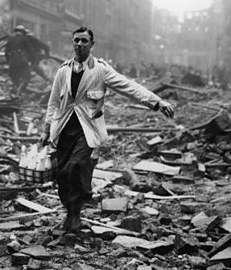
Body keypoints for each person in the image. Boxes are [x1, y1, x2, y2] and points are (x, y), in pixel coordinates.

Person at [39, 26, 174, 232]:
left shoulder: (100, 69)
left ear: (92, 45)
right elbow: (53, 103)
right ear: (72, 43)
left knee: (76, 167)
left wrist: (157, 102)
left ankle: (75, 214)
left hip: (88, 130)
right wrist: (46, 130)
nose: (79, 44)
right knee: (63, 174)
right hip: (64, 129)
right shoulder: (63, 71)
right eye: (76, 40)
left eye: (84, 41)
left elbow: (128, 86)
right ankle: (70, 211)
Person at [5, 25, 32, 94]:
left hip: (13, 63)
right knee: (27, 77)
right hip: (22, 63)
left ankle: (15, 94)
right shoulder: (25, 39)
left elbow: (6, 53)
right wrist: (31, 61)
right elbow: (30, 52)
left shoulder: (10, 40)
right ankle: (19, 92)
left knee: (15, 80)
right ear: (23, 32)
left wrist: (9, 62)